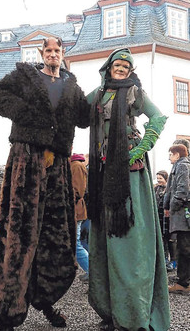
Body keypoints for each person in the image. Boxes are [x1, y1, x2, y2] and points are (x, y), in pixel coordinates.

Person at [0, 36, 90, 331]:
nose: (53, 55)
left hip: (57, 164)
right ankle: (7, 308)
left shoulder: (71, 85)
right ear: (42, 54)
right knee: (18, 232)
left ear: (63, 53)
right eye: (49, 51)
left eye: (58, 50)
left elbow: (84, 117)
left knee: (56, 234)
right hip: (26, 159)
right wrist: (28, 116)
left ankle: (45, 299)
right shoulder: (25, 76)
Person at [87, 48, 170, 331]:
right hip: (102, 170)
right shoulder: (98, 94)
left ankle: (133, 313)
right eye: (117, 64)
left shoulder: (135, 92)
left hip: (128, 170)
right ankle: (112, 309)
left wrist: (140, 150)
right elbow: (75, 113)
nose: (121, 68)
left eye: (126, 65)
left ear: (130, 70)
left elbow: (158, 118)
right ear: (108, 67)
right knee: (105, 238)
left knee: (130, 239)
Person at [164, 144, 190, 294]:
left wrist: (172, 206)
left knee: (184, 248)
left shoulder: (183, 166)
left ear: (177, 155)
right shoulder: (180, 166)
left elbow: (182, 189)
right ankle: (183, 280)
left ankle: (184, 283)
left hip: (183, 214)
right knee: (183, 247)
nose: (169, 158)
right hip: (180, 213)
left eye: (170, 154)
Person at [70, 153, 89, 282]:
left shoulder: (76, 165)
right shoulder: (75, 165)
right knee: (75, 243)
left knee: (76, 244)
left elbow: (77, 191)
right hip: (76, 209)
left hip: (76, 210)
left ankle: (92, 271)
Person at [154, 170, 176, 271]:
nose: (159, 180)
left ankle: (173, 262)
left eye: (160, 178)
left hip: (168, 220)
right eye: (157, 178)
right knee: (162, 241)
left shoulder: (170, 189)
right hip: (159, 219)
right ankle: (164, 260)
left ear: (165, 179)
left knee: (171, 241)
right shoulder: (155, 189)